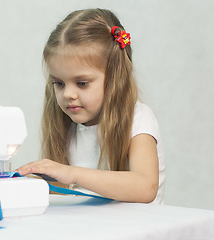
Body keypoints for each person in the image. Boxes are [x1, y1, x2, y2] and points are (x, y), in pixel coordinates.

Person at [16, 8, 165, 204]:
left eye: (82, 83)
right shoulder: (66, 124)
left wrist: (70, 173)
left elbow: (145, 188)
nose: (68, 94)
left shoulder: (138, 118)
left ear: (115, 78)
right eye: (59, 83)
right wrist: (38, 183)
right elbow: (75, 194)